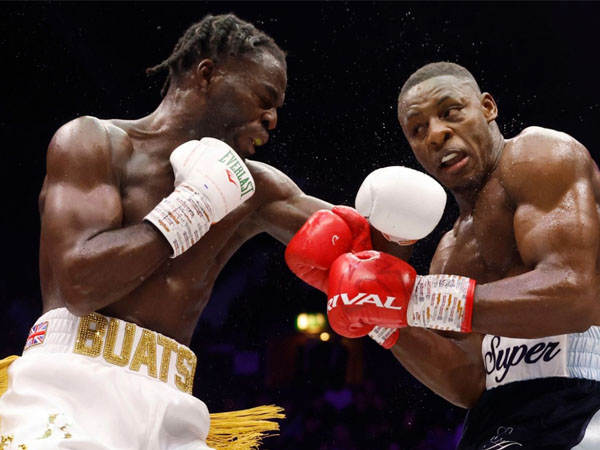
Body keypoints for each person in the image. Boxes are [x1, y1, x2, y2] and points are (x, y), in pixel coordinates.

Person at [0, 13, 402, 450]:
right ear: (207, 74)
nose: (272, 119)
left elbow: (367, 255)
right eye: (263, 98)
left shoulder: (256, 187)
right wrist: (193, 207)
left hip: (172, 410)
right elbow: (80, 285)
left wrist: (404, 224)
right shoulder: (94, 143)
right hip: (67, 387)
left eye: (276, 109)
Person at [285, 62, 600, 449]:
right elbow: (470, 383)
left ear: (488, 108)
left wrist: (416, 299)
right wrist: (381, 314)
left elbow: (573, 294)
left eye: (451, 112)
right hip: (496, 417)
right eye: (418, 130)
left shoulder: (539, 156)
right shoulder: (448, 255)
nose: (436, 134)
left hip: (585, 396)